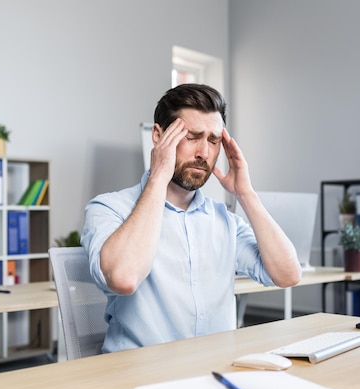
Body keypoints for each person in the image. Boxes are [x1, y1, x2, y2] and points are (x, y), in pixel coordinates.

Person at [81, 84, 301, 353]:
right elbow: (124, 279)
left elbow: (288, 274)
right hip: (138, 376)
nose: (204, 153)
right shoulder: (108, 208)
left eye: (213, 140)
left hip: (212, 374)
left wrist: (246, 194)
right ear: (158, 136)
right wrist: (159, 176)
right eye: (192, 137)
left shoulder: (224, 220)